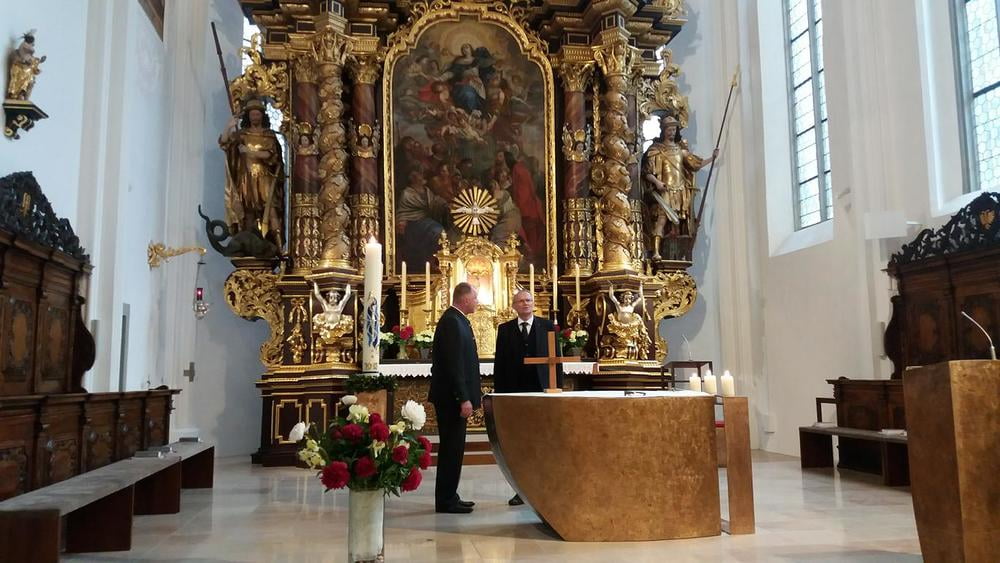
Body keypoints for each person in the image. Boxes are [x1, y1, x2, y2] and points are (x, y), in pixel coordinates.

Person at [493, 289, 561, 506]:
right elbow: (500, 365)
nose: (525, 303)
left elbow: (556, 360)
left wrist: (556, 388)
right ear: (514, 306)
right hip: (516, 393)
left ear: (533, 304)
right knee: (520, 443)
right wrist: (501, 396)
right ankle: (521, 491)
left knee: (542, 440)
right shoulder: (505, 330)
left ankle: (544, 487)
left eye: (529, 300)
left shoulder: (547, 326)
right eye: (521, 301)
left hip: (541, 391)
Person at [428, 282, 482, 513]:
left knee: (455, 448)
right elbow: (454, 365)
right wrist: (463, 398)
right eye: (475, 298)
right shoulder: (452, 321)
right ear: (465, 299)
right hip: (452, 399)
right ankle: (446, 500)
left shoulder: (458, 320)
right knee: (451, 448)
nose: (477, 302)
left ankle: (451, 495)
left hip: (454, 398)